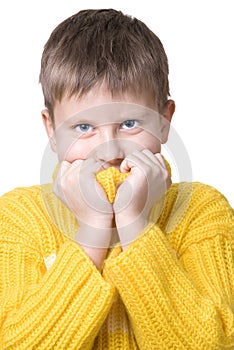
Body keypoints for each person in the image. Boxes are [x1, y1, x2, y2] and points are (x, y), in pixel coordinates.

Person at [0, 8, 234, 349]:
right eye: (84, 127)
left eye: (129, 124)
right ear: (51, 130)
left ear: (165, 121)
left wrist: (136, 227)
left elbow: (215, 343)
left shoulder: (201, 211)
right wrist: (93, 233)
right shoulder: (20, 218)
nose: (109, 151)